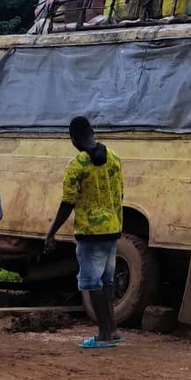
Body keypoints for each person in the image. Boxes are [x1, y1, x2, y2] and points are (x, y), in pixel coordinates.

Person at [44, 115, 124, 348]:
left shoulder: (77, 165)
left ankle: (104, 335)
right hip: (113, 229)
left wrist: (51, 232)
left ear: (73, 139)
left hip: (90, 232)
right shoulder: (115, 158)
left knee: (92, 283)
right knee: (107, 282)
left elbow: (68, 202)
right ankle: (112, 330)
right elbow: (121, 194)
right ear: (92, 132)